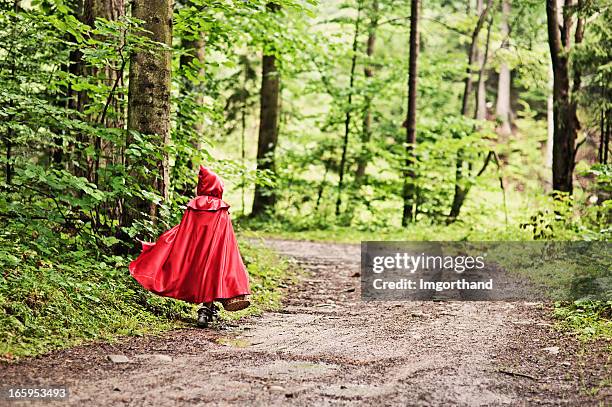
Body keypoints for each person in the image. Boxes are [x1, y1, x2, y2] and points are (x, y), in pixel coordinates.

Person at [129, 165, 250, 327]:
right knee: (213, 273)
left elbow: (187, 231)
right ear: (217, 186)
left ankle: (208, 309)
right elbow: (226, 238)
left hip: (194, 250)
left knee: (198, 272)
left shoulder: (194, 205)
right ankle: (207, 308)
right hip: (215, 252)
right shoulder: (221, 207)